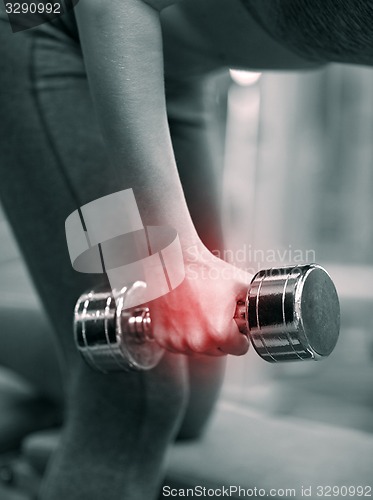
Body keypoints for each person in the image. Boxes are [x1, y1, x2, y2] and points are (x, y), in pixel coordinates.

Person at [0, 1, 371, 498]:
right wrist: (179, 260)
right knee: (137, 392)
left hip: (174, 74)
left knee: (189, 398)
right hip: (54, 32)